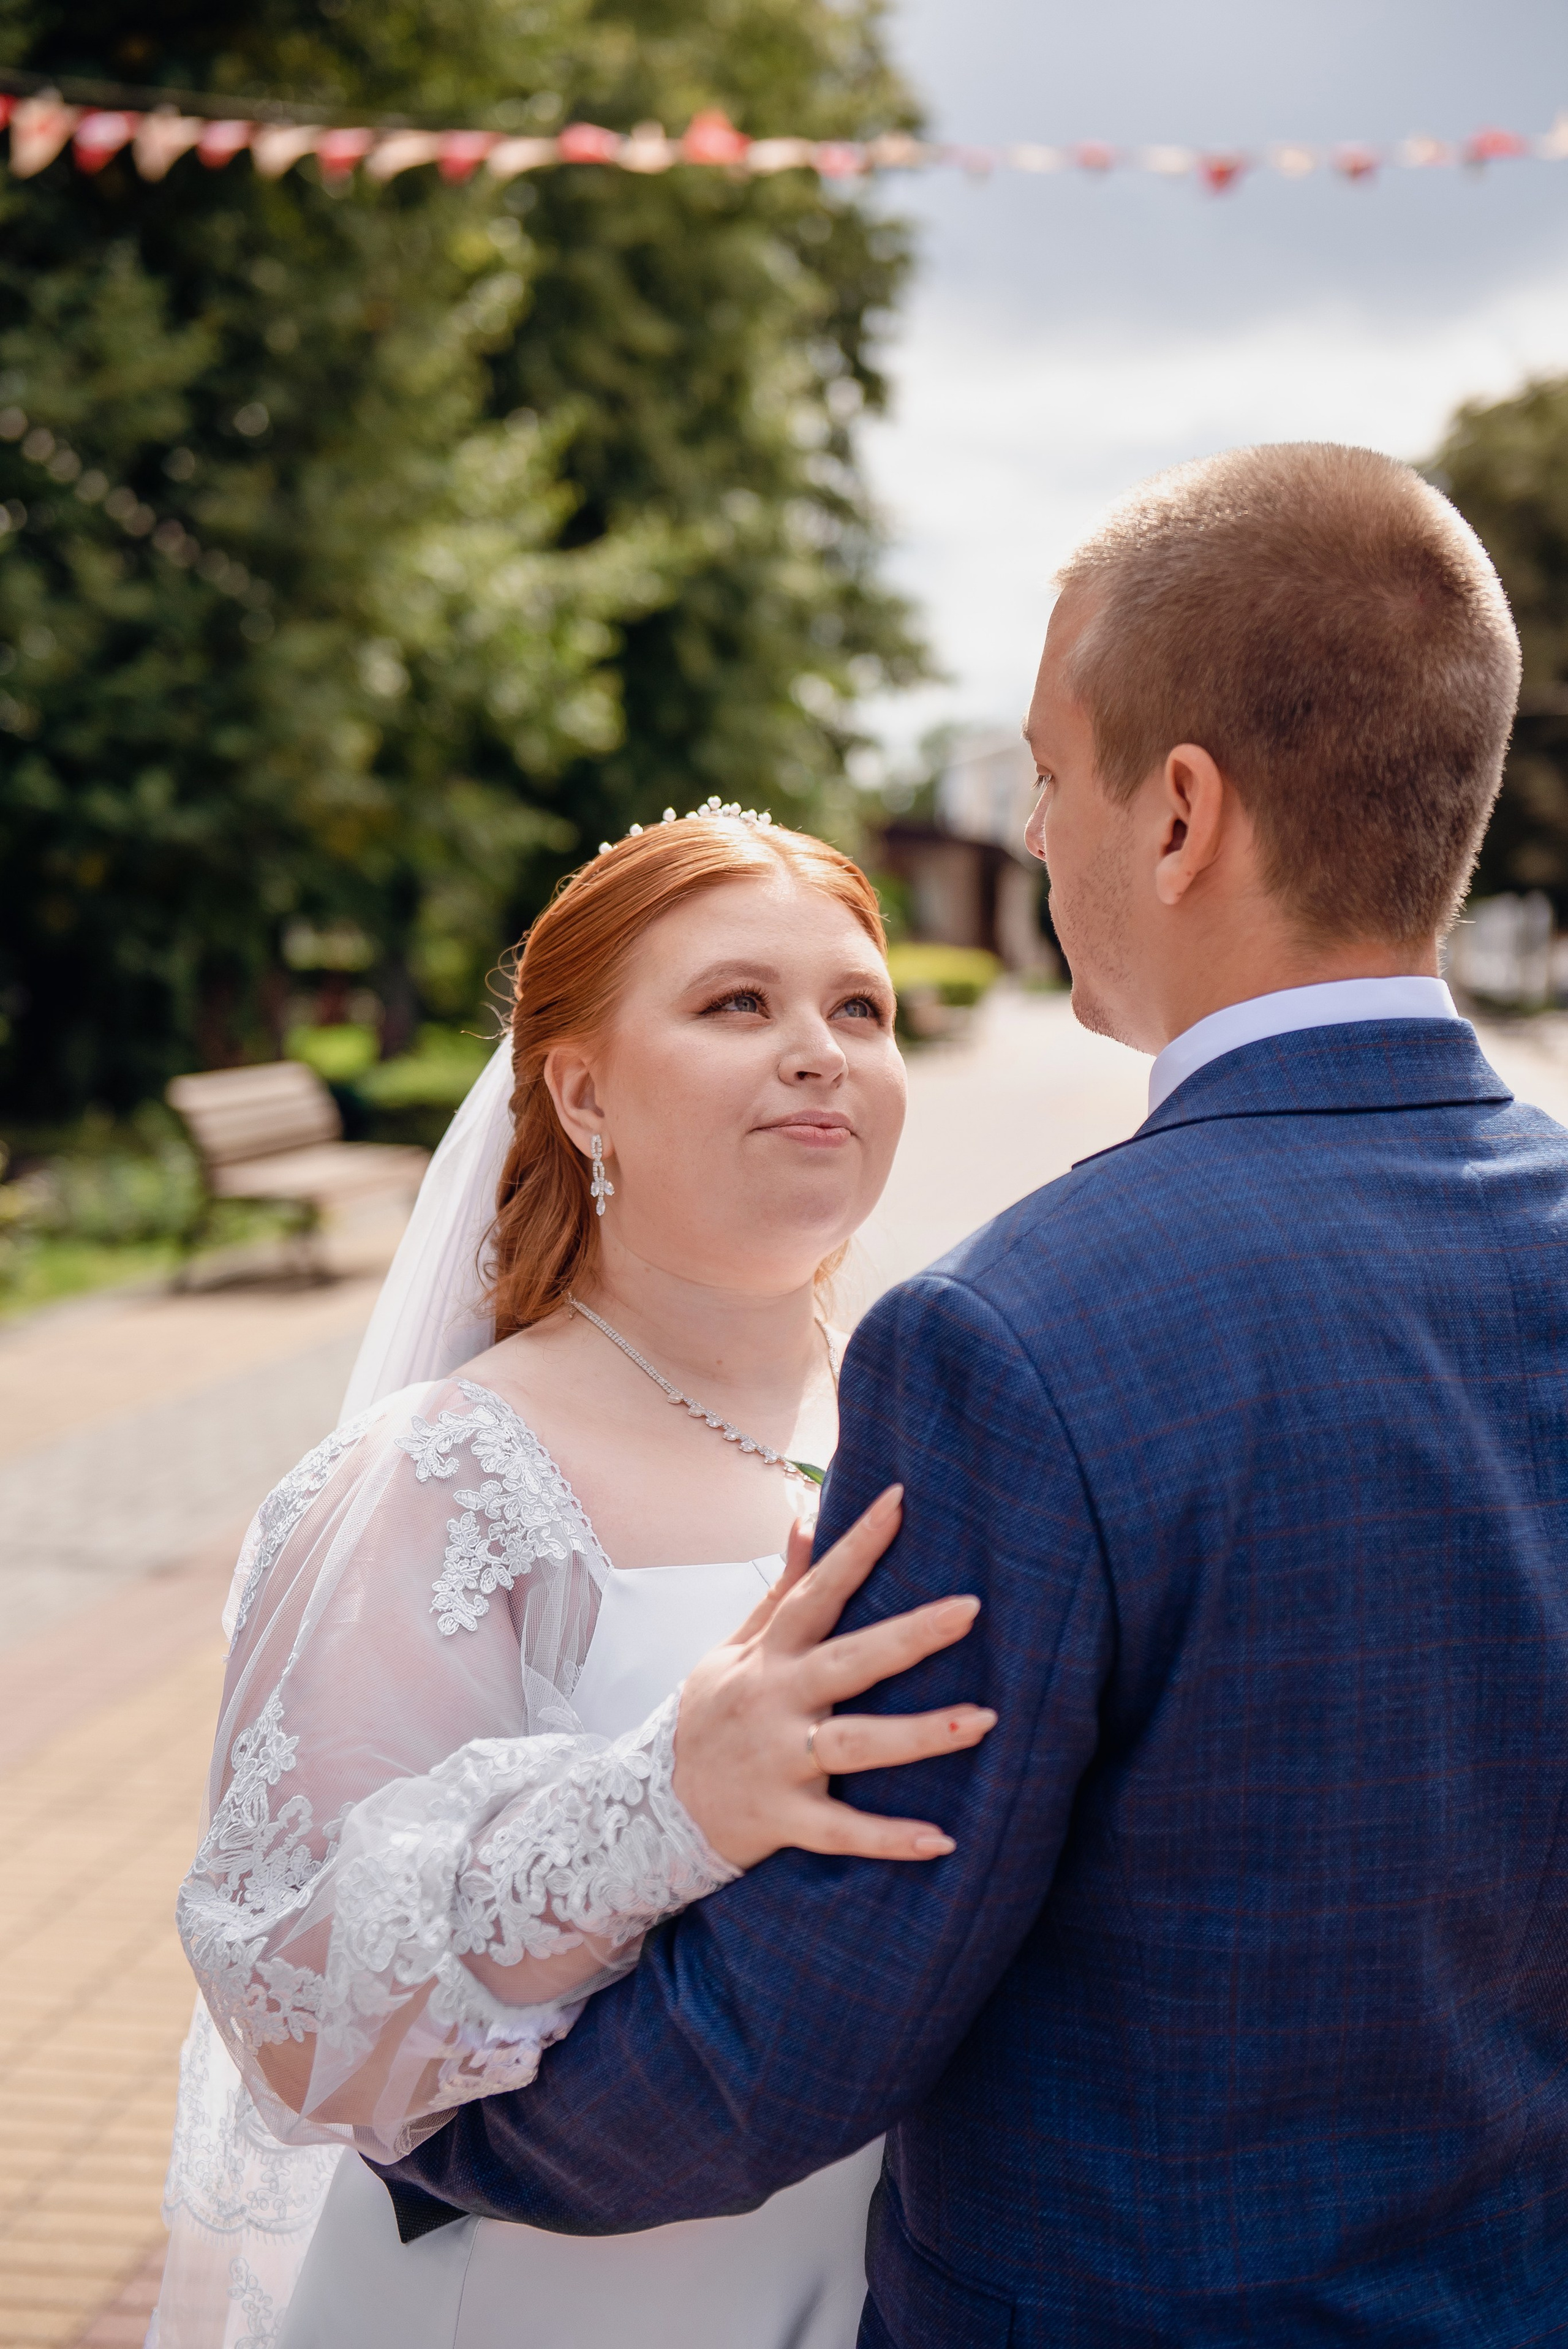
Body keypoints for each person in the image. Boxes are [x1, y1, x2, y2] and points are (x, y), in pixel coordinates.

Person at [383, 443, 1568, 2346]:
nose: (1029, 833)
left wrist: (417, 2127)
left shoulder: (1019, 1336)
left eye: (1045, 766)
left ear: (1180, 813)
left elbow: (795, 2036)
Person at [152, 810, 997, 2349]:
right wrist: (662, 1804)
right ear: (583, 1089)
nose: (818, 1050)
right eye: (737, 1002)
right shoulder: (447, 1473)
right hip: (547, 2294)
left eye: (854, 1008)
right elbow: (289, 1986)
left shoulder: (948, 1420)